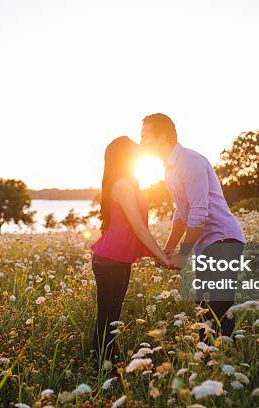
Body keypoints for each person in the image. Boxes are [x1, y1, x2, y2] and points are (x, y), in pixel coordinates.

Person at [140, 113, 246, 340]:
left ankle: (220, 365)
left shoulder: (190, 161)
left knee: (214, 308)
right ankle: (213, 365)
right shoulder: (170, 167)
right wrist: (168, 248)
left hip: (223, 239)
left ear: (162, 137)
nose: (142, 142)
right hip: (207, 244)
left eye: (145, 136)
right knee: (204, 309)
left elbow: (199, 213)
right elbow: (182, 211)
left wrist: (184, 254)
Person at [90, 136, 171, 362]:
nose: (139, 148)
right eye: (134, 147)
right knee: (108, 317)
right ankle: (102, 366)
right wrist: (162, 256)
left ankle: (105, 363)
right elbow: (139, 229)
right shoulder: (123, 184)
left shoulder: (127, 182)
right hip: (109, 260)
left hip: (115, 258)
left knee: (111, 315)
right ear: (125, 154)